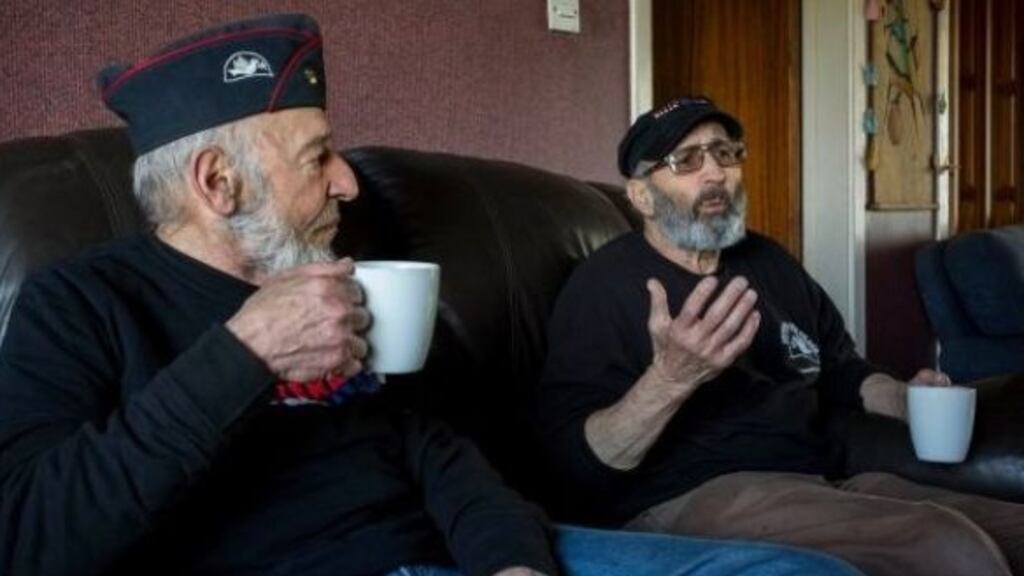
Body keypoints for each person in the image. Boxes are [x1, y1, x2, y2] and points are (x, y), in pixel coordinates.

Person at [0, 16, 864, 576]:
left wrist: (513, 563)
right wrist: (244, 355)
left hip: (458, 554)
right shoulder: (81, 304)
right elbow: (33, 536)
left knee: (804, 573)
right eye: (317, 155)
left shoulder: (346, 280)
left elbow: (441, 455)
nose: (347, 181)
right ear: (218, 181)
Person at [535, 96, 1024, 576]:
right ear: (641, 195)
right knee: (944, 546)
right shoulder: (604, 287)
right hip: (697, 495)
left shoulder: (767, 261)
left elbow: (840, 369)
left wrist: (905, 398)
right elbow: (575, 465)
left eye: (724, 152)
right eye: (686, 160)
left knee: (1012, 530)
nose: (715, 173)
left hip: (821, 476)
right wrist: (670, 379)